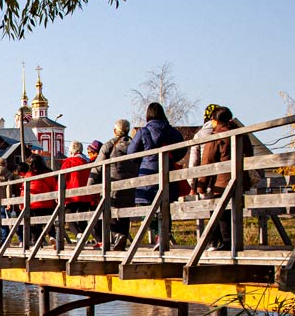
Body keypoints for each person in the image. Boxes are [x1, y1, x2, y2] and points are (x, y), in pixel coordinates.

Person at [127, 102, 187, 244]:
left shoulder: (143, 131)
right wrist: (172, 159)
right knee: (165, 205)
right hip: (168, 170)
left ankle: (159, 234)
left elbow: (131, 153)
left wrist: (142, 162)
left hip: (148, 172)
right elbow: (183, 149)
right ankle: (164, 234)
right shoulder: (172, 131)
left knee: (147, 206)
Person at [195, 106, 253, 251]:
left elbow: (207, 161)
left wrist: (201, 185)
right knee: (235, 209)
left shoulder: (216, 136)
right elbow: (250, 153)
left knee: (222, 213)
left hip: (222, 181)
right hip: (239, 179)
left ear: (215, 121)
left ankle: (227, 242)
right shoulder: (241, 134)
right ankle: (236, 242)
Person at [98, 119, 137, 247]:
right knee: (125, 211)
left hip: (113, 183)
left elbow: (97, 167)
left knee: (111, 210)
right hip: (131, 183)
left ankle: (117, 236)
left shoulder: (109, 145)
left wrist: (89, 186)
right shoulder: (134, 145)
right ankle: (122, 238)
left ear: (115, 131)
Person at [60, 140, 91, 238]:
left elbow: (62, 177)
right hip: (86, 194)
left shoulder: (68, 161)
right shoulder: (87, 162)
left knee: (68, 216)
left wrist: (58, 192)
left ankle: (78, 235)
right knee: (82, 217)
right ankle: (83, 237)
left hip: (72, 194)